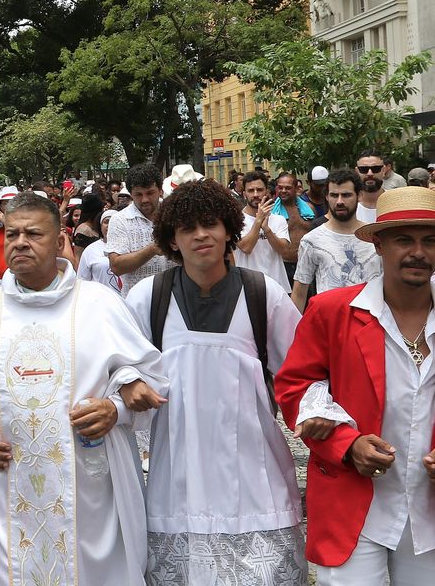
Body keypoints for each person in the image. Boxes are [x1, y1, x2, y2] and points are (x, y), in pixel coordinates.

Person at [274, 187, 435, 585]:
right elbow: (294, 389)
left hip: (431, 506)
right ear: (379, 245)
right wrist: (347, 445)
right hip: (353, 503)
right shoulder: (331, 312)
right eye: (404, 239)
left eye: (429, 240)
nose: (418, 251)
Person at [0, 192, 168, 586]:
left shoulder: (101, 306)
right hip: (3, 487)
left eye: (33, 234)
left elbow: (150, 382)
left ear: (59, 241)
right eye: (12, 233)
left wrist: (115, 409)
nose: (20, 242)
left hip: (88, 493)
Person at [129, 180, 307, 585]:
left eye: (210, 224)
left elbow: (301, 375)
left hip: (255, 476)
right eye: (187, 228)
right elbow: (119, 372)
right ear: (171, 240)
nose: (200, 235)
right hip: (177, 474)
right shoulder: (147, 298)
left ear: (229, 229)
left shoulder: (264, 295)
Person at [292, 168, 381, 311]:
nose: (339, 201)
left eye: (346, 195)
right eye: (334, 195)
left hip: (370, 324)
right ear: (326, 196)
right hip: (329, 325)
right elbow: (299, 293)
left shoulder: (375, 237)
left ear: (359, 195)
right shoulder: (311, 241)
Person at [106, 162, 170, 293]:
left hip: (175, 299)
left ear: (160, 191)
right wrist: (153, 249)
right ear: (131, 194)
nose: (145, 199)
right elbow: (116, 266)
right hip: (137, 304)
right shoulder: (120, 220)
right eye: (138, 195)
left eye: (150, 193)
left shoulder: (175, 213)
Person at [236, 172, 294, 288]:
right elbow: (246, 247)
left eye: (260, 190)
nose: (256, 194)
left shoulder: (279, 219)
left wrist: (267, 229)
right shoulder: (237, 219)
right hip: (249, 286)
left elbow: (284, 251)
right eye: (251, 191)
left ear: (266, 192)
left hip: (277, 285)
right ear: (244, 194)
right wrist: (258, 221)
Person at [354, 151, 391, 223]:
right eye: (363, 169)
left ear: (383, 170)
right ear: (357, 172)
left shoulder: (396, 202)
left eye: (375, 169)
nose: (370, 173)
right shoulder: (348, 204)